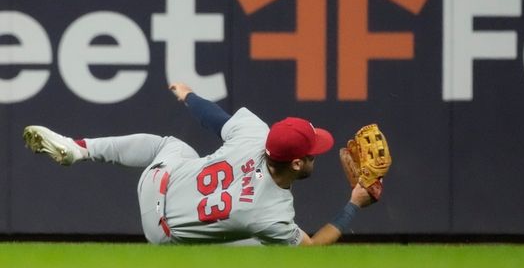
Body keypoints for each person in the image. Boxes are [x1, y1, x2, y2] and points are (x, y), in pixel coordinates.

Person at [23, 82, 373, 245]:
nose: (317, 154)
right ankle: (78, 149)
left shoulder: (256, 135)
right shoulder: (272, 215)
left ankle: (80, 149)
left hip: (155, 184)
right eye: (312, 152)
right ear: (296, 164)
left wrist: (188, 95)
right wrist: (354, 204)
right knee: (269, 247)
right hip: (164, 237)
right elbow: (310, 251)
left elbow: (215, 118)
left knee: (169, 146)